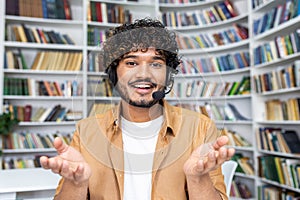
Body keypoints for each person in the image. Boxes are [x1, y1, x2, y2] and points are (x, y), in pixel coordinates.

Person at [40, 17, 235, 200]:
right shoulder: (86, 132)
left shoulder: (199, 128)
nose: (144, 74)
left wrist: (197, 179)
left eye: (156, 64)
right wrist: (76, 184)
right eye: (131, 63)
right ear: (114, 71)